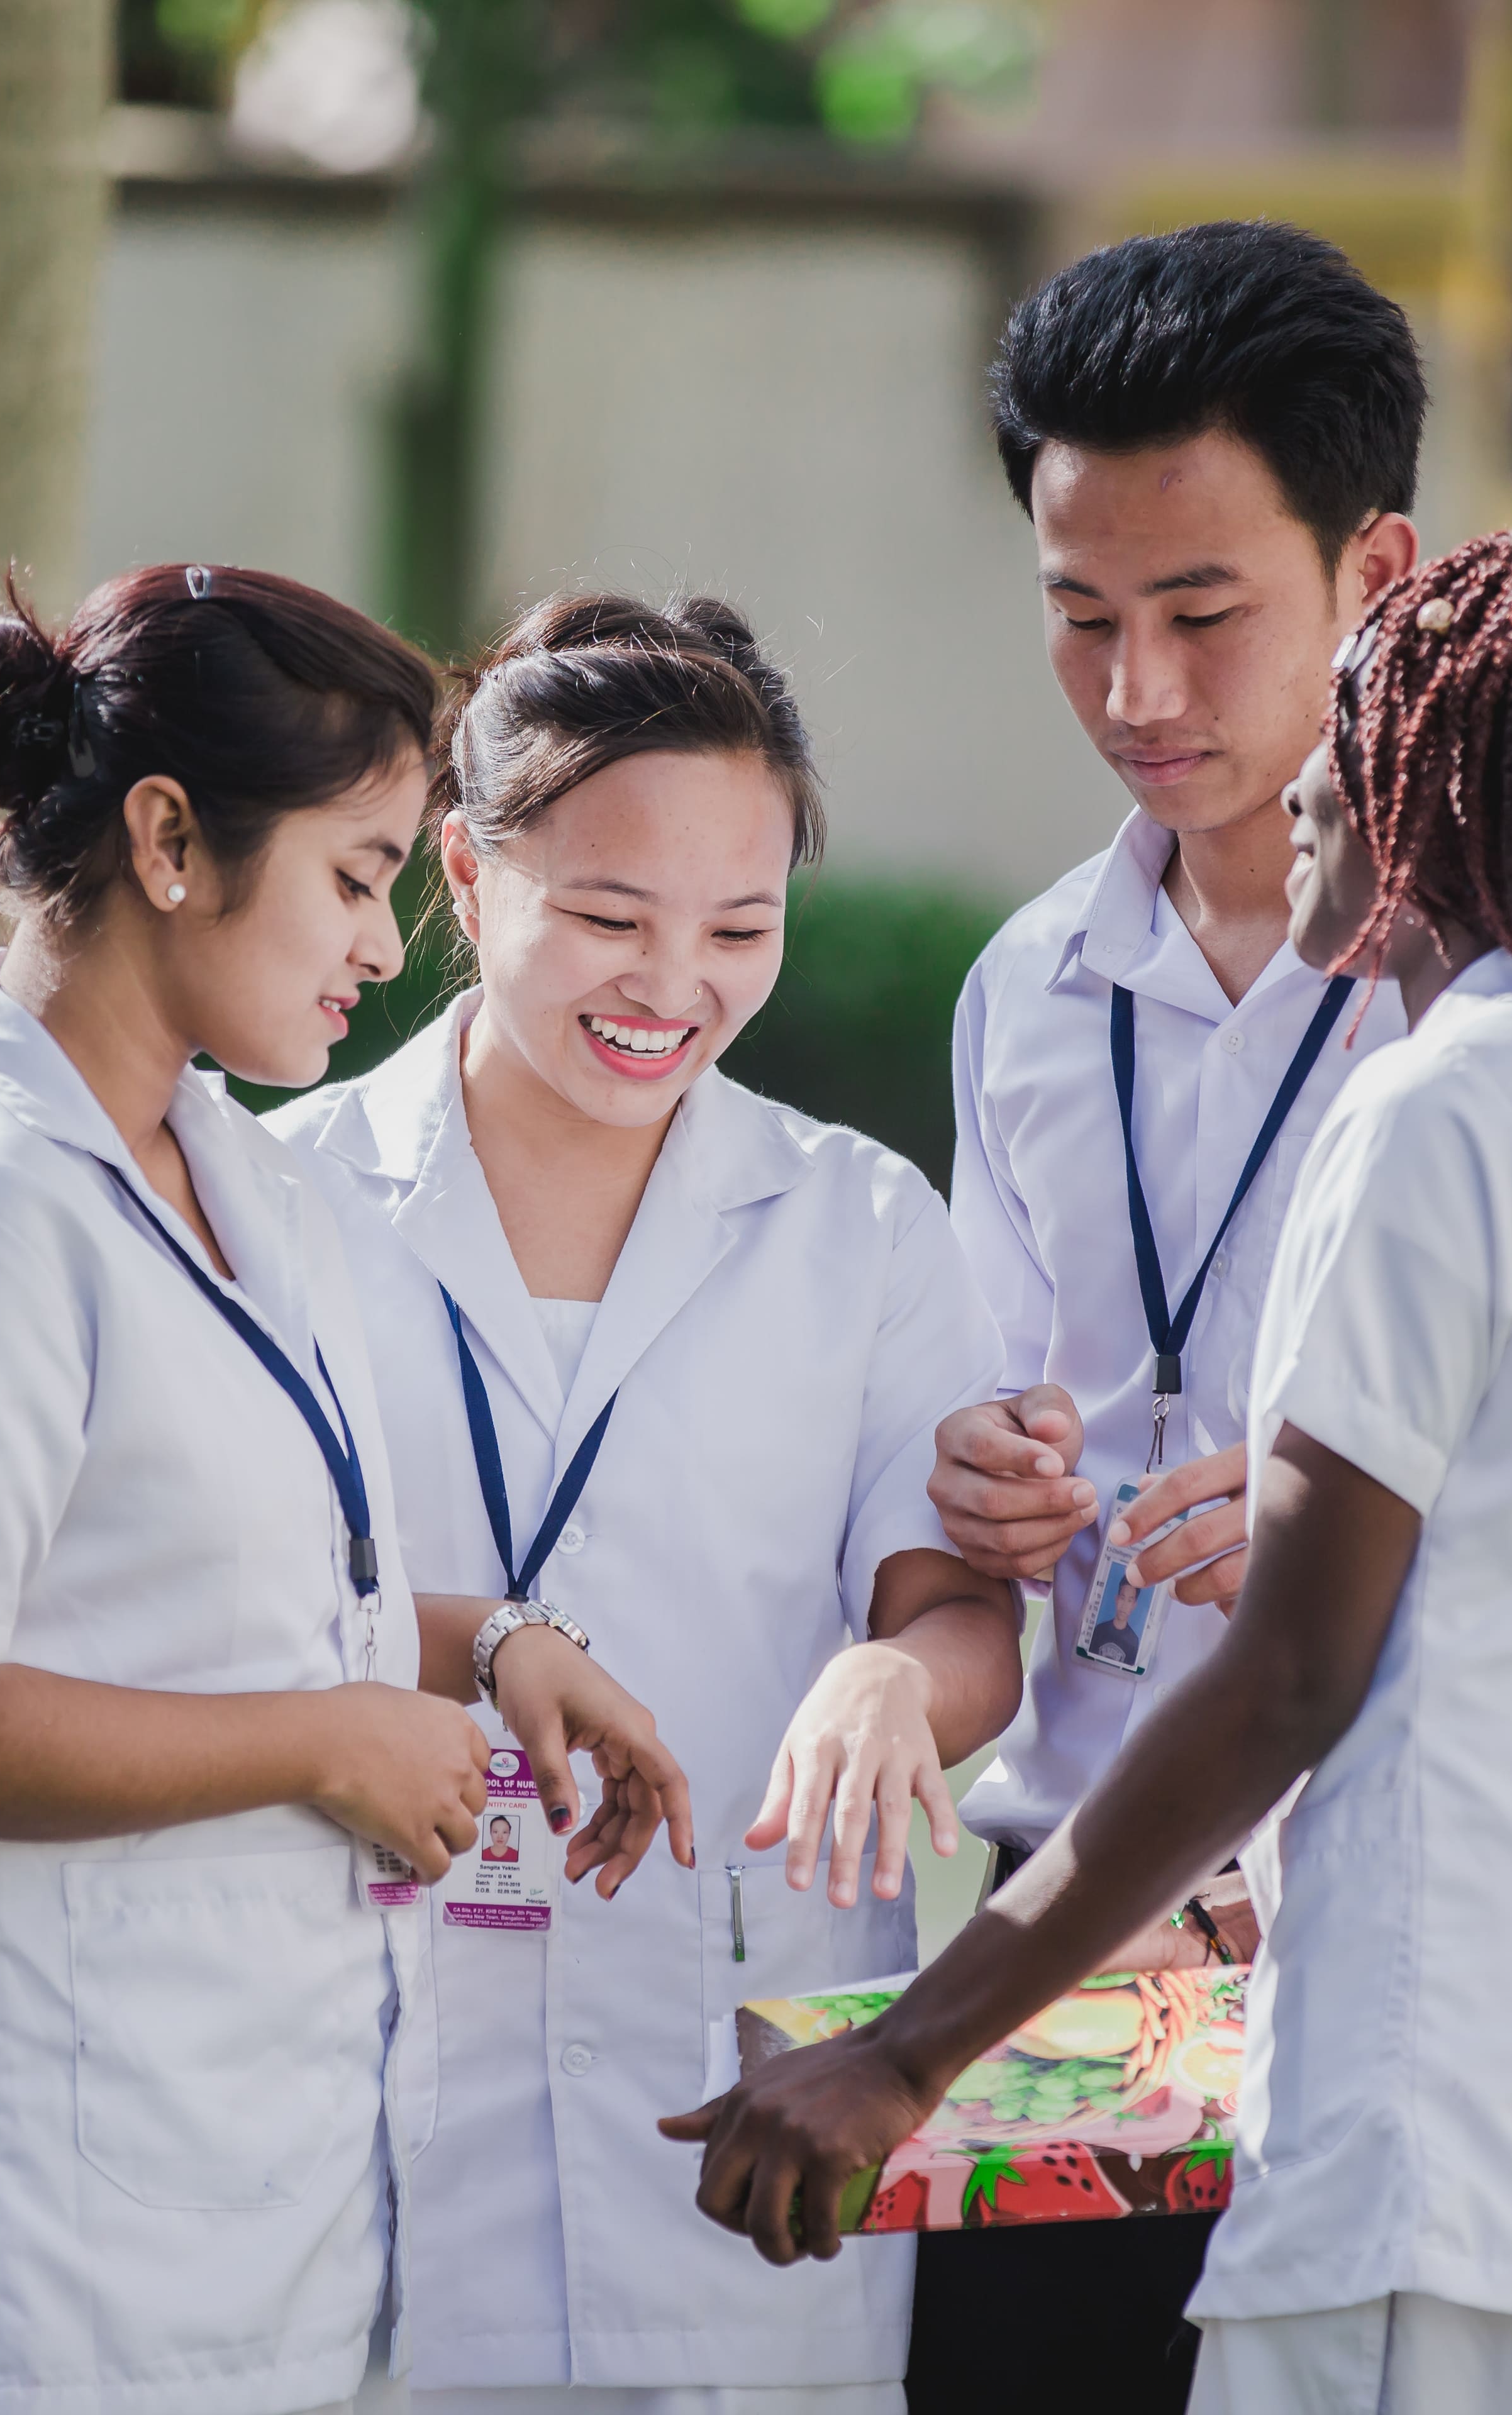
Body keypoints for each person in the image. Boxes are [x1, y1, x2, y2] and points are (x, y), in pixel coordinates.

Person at [665, 530, 1512, 2415]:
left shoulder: (1435, 1104)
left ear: (1439, 788)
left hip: (1425, 2134)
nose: (1312, 770)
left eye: (1362, 718)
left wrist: (908, 2055)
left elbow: (1288, 1682)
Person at [0, 564, 660, 2415]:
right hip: (12, 2249)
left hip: (245, 2213)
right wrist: (327, 1740)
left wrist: (488, 1648)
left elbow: (208, 1600)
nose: (387, 950)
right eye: (352, 877)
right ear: (169, 839)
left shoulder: (241, 1180)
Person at [270, 594, 1025, 2411]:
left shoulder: (856, 1229)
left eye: (739, 927)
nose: (671, 984)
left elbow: (960, 1619)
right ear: (463, 868)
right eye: (608, 917)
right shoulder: (281, 1211)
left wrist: (896, 1682)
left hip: (741, 2112)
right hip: (363, 2112)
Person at [907, 221, 1426, 2410]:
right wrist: (971, 1478)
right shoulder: (1028, 989)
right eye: (1082, 619)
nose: (1138, 691)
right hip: (1071, 1901)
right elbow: (968, 1429)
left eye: (1205, 615)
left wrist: (1366, 1508)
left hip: (1395, 1921)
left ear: (1376, 572)